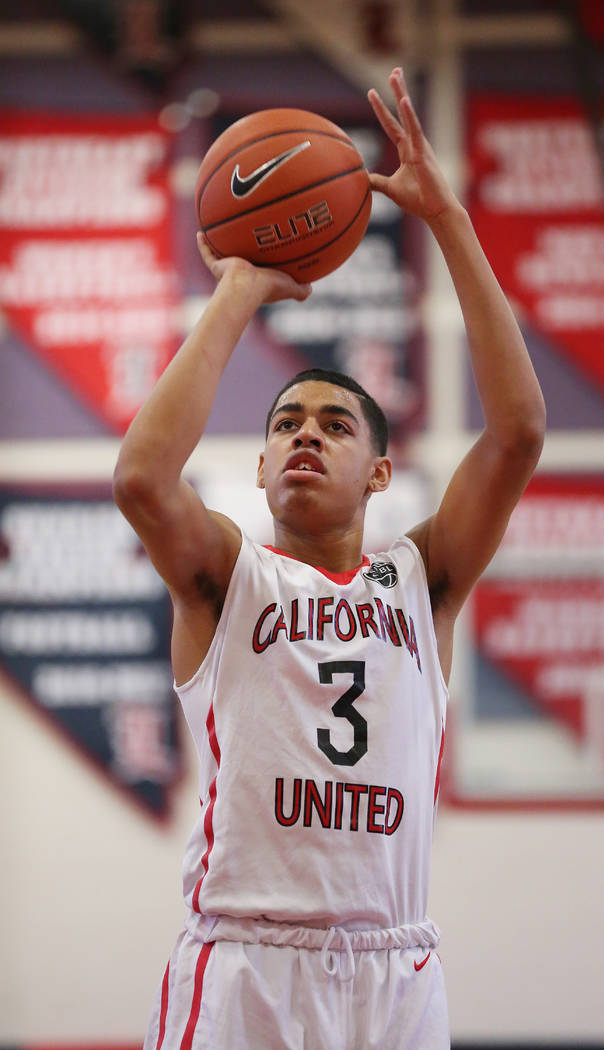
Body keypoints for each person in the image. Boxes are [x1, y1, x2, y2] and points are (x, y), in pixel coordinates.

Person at [114, 68, 545, 1050]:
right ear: (261, 468)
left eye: (334, 424)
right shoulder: (228, 579)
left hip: (396, 974)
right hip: (250, 968)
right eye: (285, 425)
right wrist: (238, 286)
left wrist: (448, 221)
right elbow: (143, 477)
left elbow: (516, 434)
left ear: (380, 470)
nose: (306, 436)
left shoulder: (420, 579)